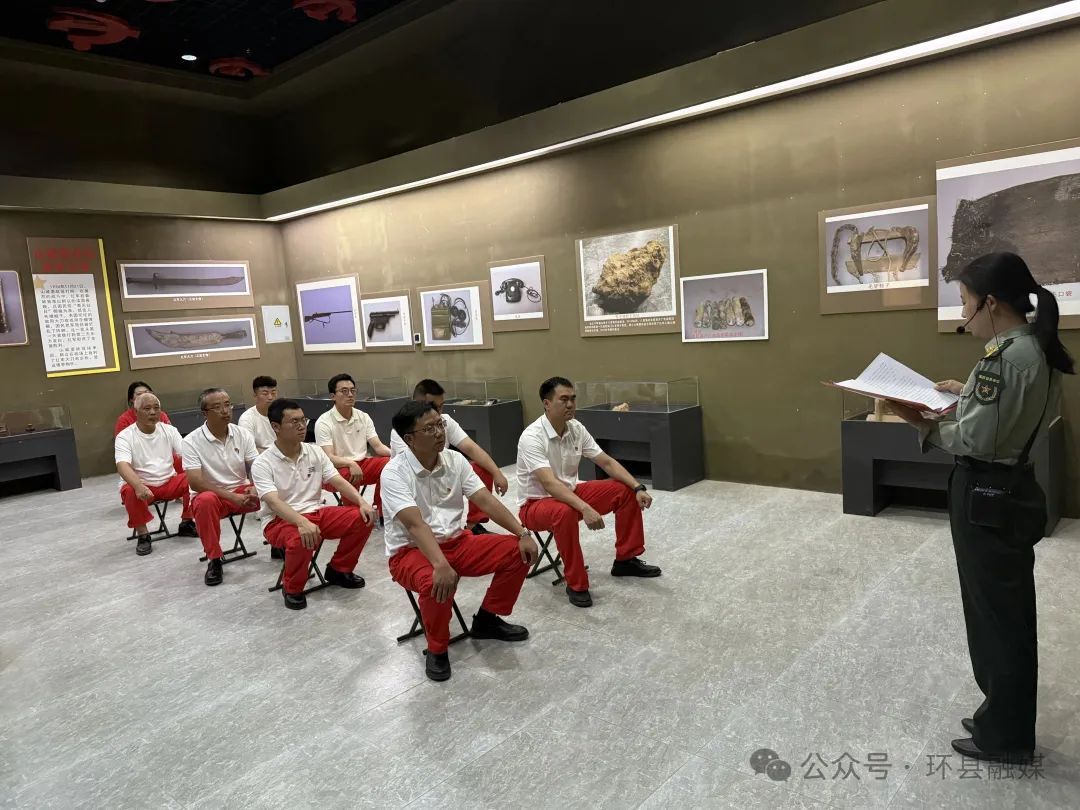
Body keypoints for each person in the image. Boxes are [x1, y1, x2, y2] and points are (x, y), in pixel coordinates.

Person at [889, 252, 1071, 763]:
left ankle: (1005, 736)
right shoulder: (1034, 347)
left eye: (965, 302)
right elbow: (1016, 415)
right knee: (1004, 610)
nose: (963, 314)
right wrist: (966, 393)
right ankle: (1001, 714)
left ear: (990, 303)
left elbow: (976, 440)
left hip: (986, 492)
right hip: (1013, 488)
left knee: (996, 618)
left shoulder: (1004, 360)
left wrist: (922, 423)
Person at [383, 401, 538, 682]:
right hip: (411, 552)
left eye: (440, 424)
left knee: (518, 551)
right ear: (409, 439)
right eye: (429, 428)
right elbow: (415, 525)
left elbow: (485, 501)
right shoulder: (394, 473)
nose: (439, 432)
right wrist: (440, 563)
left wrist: (522, 532)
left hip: (457, 542)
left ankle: (488, 619)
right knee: (435, 580)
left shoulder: (455, 460)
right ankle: (437, 649)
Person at [517, 376, 660, 608]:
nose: (570, 404)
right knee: (563, 512)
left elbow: (606, 462)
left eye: (573, 399)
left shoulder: (576, 428)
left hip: (570, 494)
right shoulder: (532, 436)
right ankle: (576, 584)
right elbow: (550, 484)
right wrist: (584, 508)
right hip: (535, 505)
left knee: (623, 490)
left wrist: (637, 487)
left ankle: (626, 560)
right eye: (564, 399)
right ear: (546, 403)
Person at [252, 399, 376, 611]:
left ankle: (339, 569)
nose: (302, 426)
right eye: (294, 422)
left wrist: (362, 502)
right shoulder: (263, 463)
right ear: (276, 427)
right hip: (279, 521)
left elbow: (337, 481)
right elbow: (274, 502)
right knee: (300, 536)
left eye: (303, 420)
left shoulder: (315, 452)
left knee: (363, 517)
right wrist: (301, 522)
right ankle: (292, 588)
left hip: (317, 512)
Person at [389, 379, 506, 534]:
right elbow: (419, 462)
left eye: (441, 406)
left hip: (442, 476)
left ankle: (473, 524)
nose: (438, 411)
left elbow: (471, 448)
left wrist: (496, 472)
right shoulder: (404, 431)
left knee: (482, 467)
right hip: (418, 483)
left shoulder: (445, 420)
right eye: (432, 406)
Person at [182, 388, 261, 587]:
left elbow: (257, 467)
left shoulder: (242, 434)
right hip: (213, 496)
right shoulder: (191, 441)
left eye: (227, 404)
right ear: (204, 413)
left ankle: (280, 544)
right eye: (217, 407)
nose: (225, 410)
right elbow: (195, 482)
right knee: (204, 501)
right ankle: (214, 559)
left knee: (275, 490)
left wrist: (256, 487)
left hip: (241, 492)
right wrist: (231, 497)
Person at [115, 392, 197, 555]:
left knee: (195, 479)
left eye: (156, 408)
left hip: (168, 481)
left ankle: (187, 522)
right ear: (135, 412)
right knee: (129, 490)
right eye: (147, 409)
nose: (153, 412)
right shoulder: (125, 436)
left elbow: (186, 455)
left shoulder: (170, 430)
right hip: (143, 486)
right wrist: (138, 485)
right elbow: (122, 465)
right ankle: (143, 535)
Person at [314, 373, 392, 513]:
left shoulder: (363, 416)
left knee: (389, 464)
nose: (350, 395)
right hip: (335, 471)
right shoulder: (324, 422)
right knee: (349, 474)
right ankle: (354, 514)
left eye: (353, 391)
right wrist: (350, 463)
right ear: (333, 396)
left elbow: (378, 447)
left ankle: (381, 510)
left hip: (361, 464)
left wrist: (398, 454)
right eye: (344, 391)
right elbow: (328, 457)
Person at [237, 375, 278, 453]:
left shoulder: (283, 413)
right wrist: (276, 455)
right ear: (255, 395)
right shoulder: (247, 419)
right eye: (265, 394)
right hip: (262, 458)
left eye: (273, 393)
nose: (270, 397)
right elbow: (248, 450)